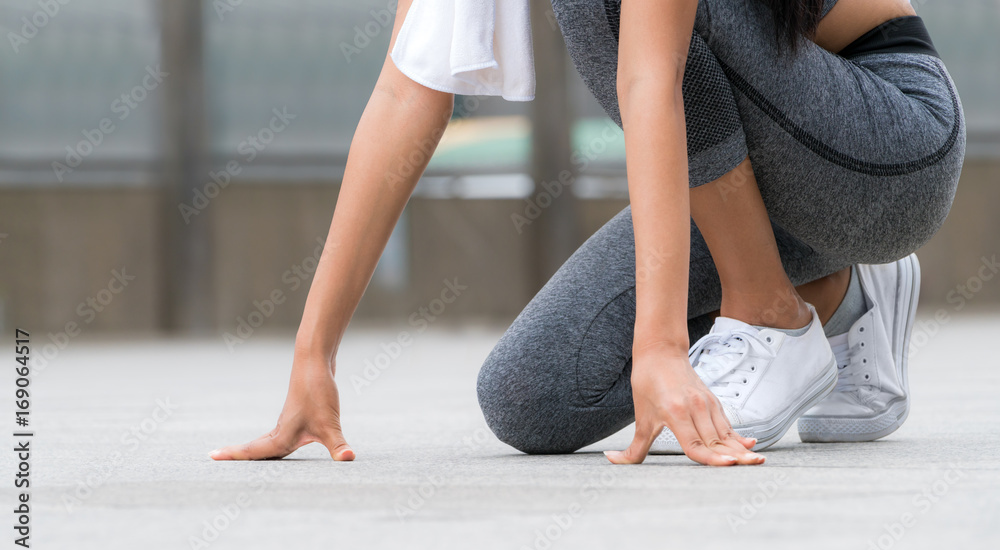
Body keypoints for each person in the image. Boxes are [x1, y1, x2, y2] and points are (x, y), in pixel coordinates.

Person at [209, 0, 964, 466]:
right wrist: (314, 358)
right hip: (767, 178)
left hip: (889, 147)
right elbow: (405, 90)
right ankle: (842, 290)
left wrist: (661, 346)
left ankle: (768, 305)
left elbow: (649, 76)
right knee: (527, 398)